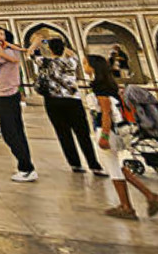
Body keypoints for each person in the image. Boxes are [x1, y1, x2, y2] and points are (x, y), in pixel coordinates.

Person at [86, 53, 158, 220]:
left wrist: (104, 136)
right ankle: (150, 196)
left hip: (107, 130)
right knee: (118, 167)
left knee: (114, 169)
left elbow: (106, 113)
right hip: (116, 130)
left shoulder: (99, 86)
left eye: (86, 64)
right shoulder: (110, 84)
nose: (84, 67)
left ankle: (127, 207)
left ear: (94, 68)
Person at [31, 37, 104, 175]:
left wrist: (37, 42)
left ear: (50, 49)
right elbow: (73, 54)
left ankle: (75, 164)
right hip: (73, 100)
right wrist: (63, 47)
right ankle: (94, 164)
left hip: (53, 101)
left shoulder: (45, 62)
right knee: (83, 134)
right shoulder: (71, 62)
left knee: (63, 134)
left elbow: (30, 52)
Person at [0, 27, 35, 181]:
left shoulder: (3, 54)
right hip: (13, 95)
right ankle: (26, 165)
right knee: (18, 131)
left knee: (9, 134)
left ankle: (26, 168)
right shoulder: (14, 52)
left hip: (5, 96)